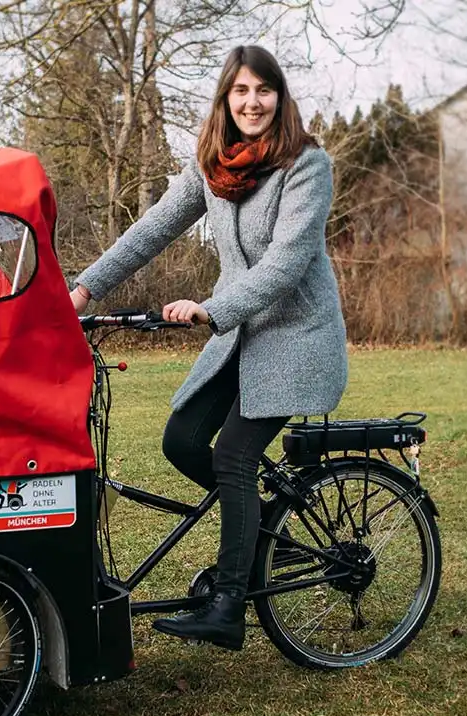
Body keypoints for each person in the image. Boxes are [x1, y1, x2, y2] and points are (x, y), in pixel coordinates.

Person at [69, 44, 348, 651]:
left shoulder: (305, 163)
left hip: (296, 337)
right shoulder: (212, 166)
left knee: (232, 457)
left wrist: (210, 308)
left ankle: (228, 605)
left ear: (280, 97)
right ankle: (264, 529)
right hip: (240, 338)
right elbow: (152, 228)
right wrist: (85, 289)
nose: (253, 103)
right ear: (226, 98)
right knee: (183, 441)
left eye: (263, 91)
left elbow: (286, 263)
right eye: (241, 91)